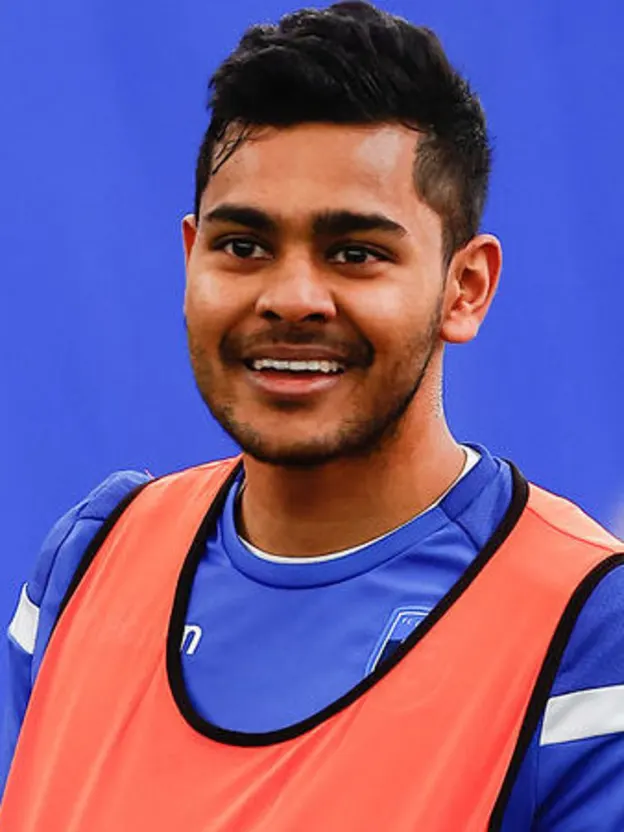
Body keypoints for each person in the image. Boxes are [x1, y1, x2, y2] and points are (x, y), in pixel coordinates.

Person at [1, 2, 622, 829]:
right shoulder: (86, 561)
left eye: (355, 253)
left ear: (465, 288)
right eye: (244, 246)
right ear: (190, 258)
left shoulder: (590, 637)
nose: (292, 299)